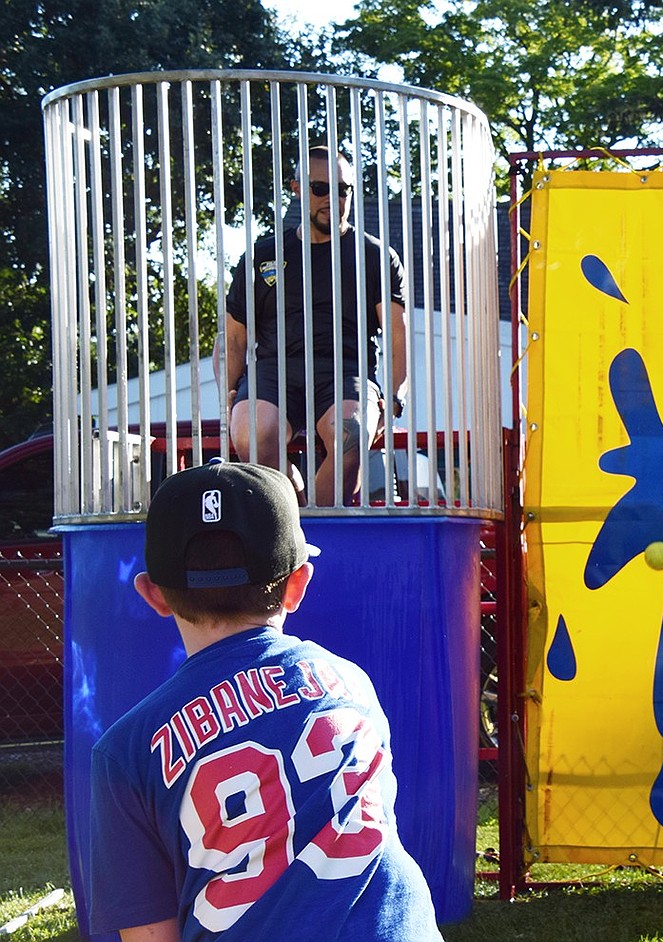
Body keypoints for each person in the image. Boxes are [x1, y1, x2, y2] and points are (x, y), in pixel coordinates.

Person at [88, 460, 443, 942]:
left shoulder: (125, 750)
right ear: (298, 584)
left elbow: (149, 935)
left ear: (154, 594)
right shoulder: (352, 683)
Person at [219, 146, 407, 506]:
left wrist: (394, 399)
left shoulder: (374, 256)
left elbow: (397, 337)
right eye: (320, 189)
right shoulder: (263, 255)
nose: (333, 198)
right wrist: (230, 394)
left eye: (342, 189)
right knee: (251, 435)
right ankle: (294, 514)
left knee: (351, 435)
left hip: (346, 370)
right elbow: (233, 337)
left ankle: (318, 529)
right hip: (275, 370)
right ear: (297, 189)